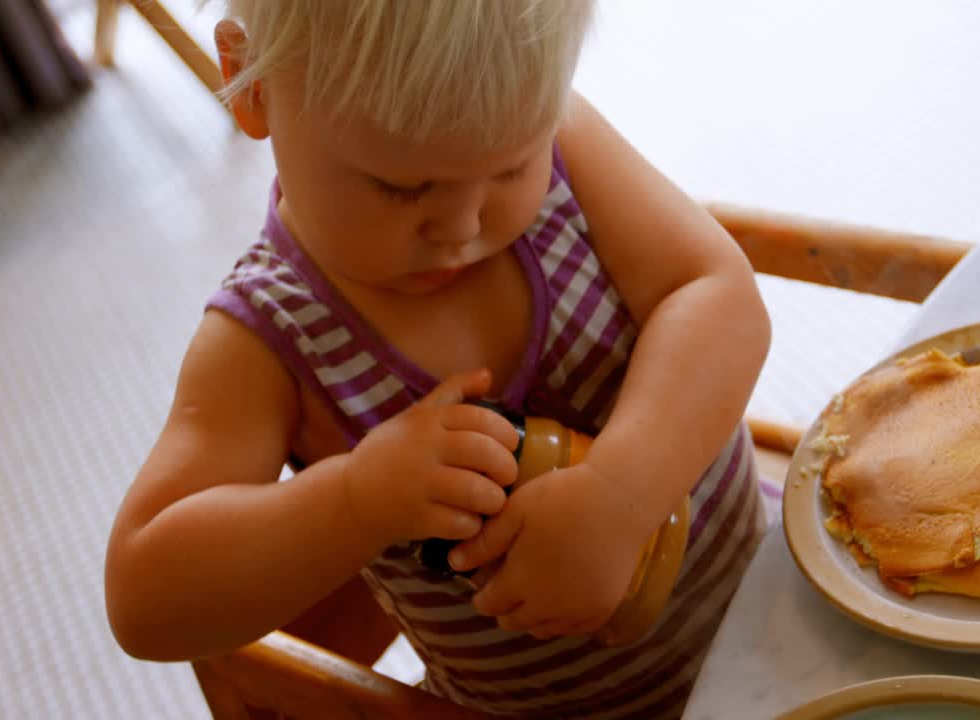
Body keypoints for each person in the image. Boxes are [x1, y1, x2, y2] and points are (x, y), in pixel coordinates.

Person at [104, 2, 771, 716]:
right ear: (251, 85)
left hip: (776, 621)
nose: (459, 228)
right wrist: (356, 499)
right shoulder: (270, 336)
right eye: (401, 186)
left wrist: (622, 494)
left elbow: (719, 295)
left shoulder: (562, 140)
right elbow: (144, 599)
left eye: (511, 168)